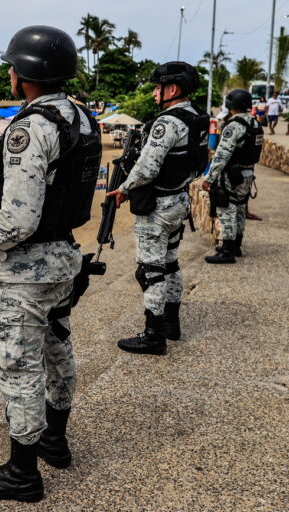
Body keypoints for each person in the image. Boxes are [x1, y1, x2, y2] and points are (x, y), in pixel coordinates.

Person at [0, 25, 101, 503]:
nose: (11, 73)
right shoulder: (81, 118)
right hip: (64, 257)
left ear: (25, 74)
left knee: (19, 367)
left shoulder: (30, 128)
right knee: (58, 349)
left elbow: (18, 218)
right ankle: (54, 441)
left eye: (13, 66)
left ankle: (22, 473)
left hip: (26, 270)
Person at [106, 61, 209, 354]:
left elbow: (146, 169)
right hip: (179, 200)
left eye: (157, 87)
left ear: (172, 89)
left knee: (150, 270)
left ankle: (154, 335)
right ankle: (171, 324)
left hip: (157, 208)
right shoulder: (196, 119)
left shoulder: (166, 123)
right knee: (171, 263)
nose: (153, 93)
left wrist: (123, 189)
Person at [202, 89, 263, 263]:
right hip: (247, 174)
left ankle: (227, 252)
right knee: (239, 208)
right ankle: (236, 246)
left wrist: (209, 178)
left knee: (226, 208)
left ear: (231, 105)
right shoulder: (255, 124)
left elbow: (221, 156)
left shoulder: (233, 126)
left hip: (231, 175)